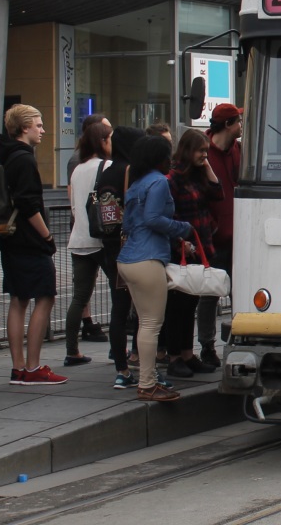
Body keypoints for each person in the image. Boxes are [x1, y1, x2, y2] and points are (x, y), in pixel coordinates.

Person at [118, 135, 192, 402]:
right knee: (151, 324)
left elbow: (128, 224)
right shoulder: (159, 182)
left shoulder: (136, 184)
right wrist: (182, 228)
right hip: (148, 259)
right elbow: (153, 219)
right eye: (167, 156)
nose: (170, 161)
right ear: (157, 159)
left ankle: (147, 380)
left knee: (144, 324)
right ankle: (148, 384)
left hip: (128, 259)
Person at [0, 104, 67, 385]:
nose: (42, 130)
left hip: (10, 238)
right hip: (29, 240)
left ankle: (18, 369)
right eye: (38, 125)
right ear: (24, 128)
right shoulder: (25, 159)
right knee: (45, 296)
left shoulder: (7, 155)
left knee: (18, 299)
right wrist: (47, 235)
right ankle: (33, 367)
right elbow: (29, 203)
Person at [166, 130, 222, 378]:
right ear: (189, 150)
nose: (204, 156)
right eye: (201, 151)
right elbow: (170, 214)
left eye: (207, 151)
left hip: (200, 246)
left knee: (191, 304)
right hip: (183, 248)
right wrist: (181, 243)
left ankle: (188, 354)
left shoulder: (196, 175)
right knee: (177, 305)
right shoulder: (173, 178)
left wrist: (206, 164)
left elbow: (217, 193)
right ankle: (174, 356)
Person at [96, 126, 144, 389]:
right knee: (141, 308)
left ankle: (121, 368)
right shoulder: (130, 171)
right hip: (131, 247)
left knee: (118, 308)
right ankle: (137, 358)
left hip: (109, 247)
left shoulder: (106, 171)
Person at [64, 119, 115, 367]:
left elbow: (74, 207)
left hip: (80, 238)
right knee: (120, 293)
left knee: (79, 297)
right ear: (103, 141)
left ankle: (71, 351)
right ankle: (118, 351)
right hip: (103, 240)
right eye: (110, 138)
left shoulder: (77, 170)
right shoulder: (108, 166)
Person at [201, 103, 242, 368]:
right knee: (209, 295)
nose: (241, 125)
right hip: (214, 239)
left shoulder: (239, 150)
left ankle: (241, 342)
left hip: (239, 237)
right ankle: (206, 346)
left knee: (243, 292)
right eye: (238, 121)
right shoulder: (203, 153)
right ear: (228, 125)